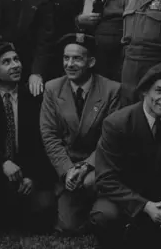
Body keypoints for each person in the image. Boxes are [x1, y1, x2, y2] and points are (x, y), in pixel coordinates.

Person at [90, 62, 161, 249]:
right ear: (144, 91)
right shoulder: (117, 123)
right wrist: (144, 206)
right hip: (127, 196)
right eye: (159, 91)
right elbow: (105, 179)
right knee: (104, 215)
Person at [0, 42, 56, 234]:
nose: (15, 65)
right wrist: (2, 163)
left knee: (44, 207)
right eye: (6, 62)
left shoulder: (33, 97)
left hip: (26, 170)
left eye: (16, 60)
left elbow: (41, 143)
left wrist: (31, 176)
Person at [40, 33, 122, 234]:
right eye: (66, 58)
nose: (70, 64)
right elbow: (49, 135)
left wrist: (86, 167)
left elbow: (110, 139)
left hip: (97, 165)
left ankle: (102, 203)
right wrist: (68, 170)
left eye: (77, 58)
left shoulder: (112, 90)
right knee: (68, 226)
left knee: (103, 211)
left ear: (91, 62)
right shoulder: (52, 89)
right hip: (68, 168)